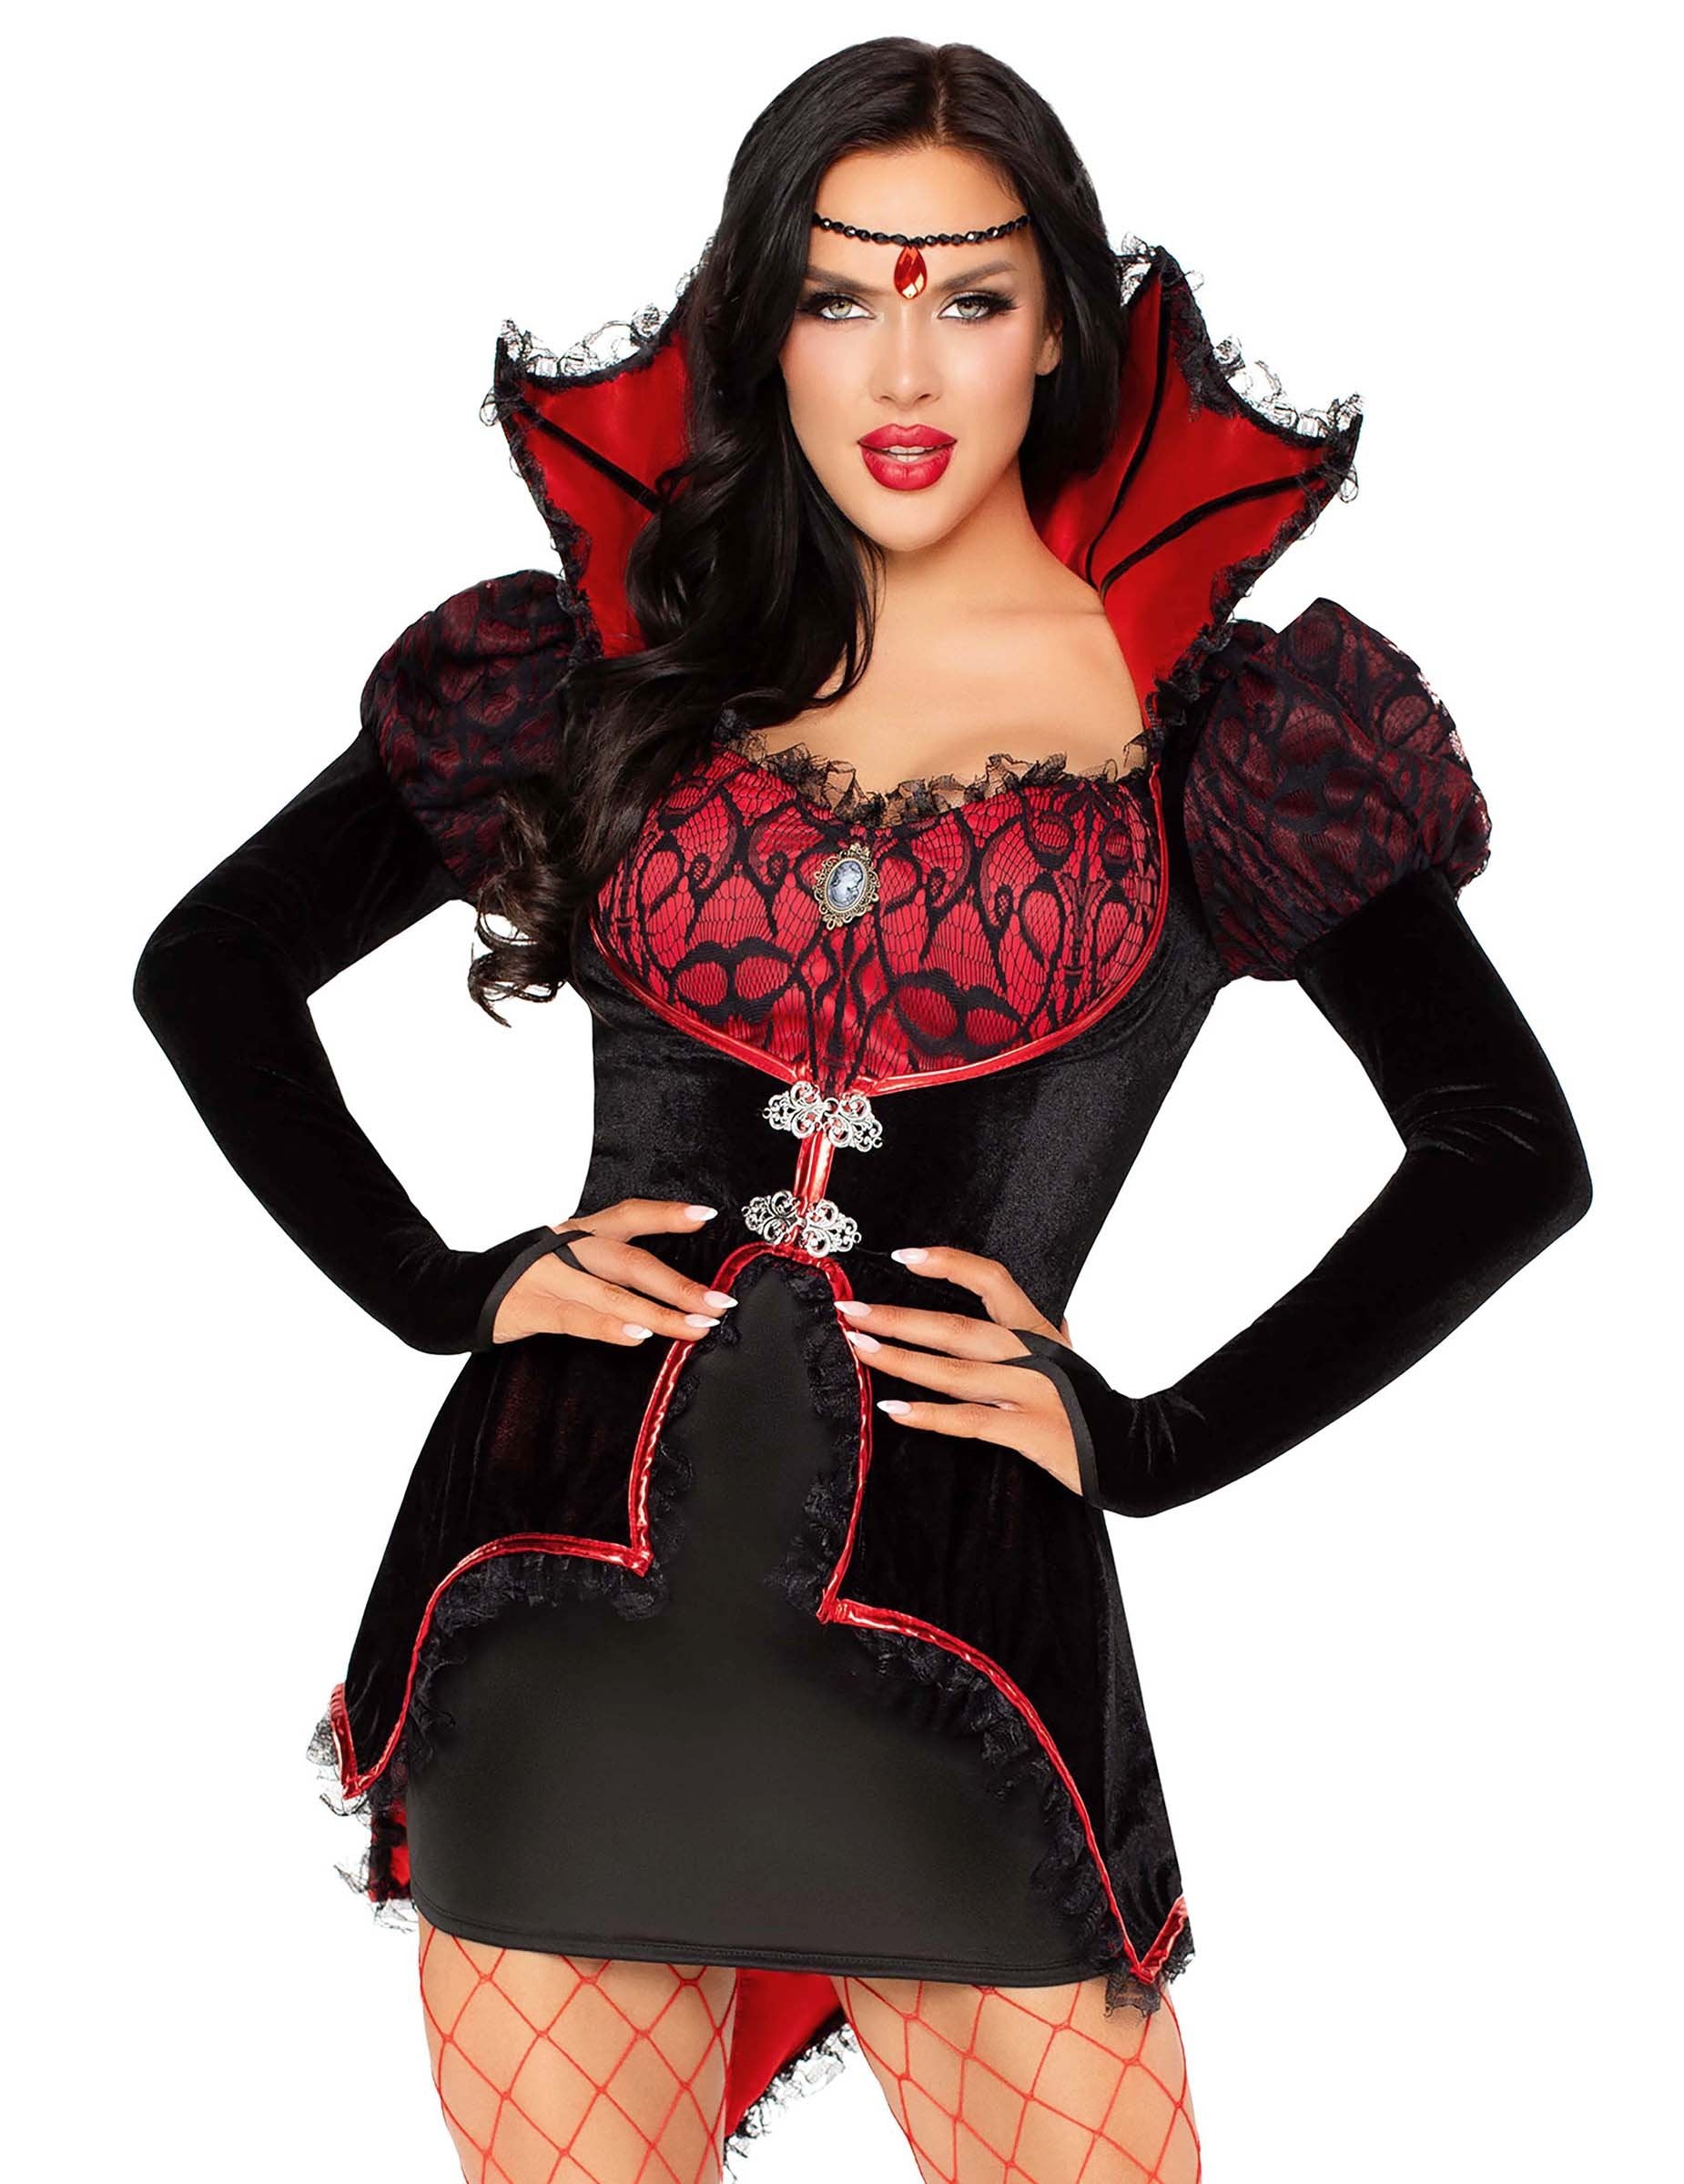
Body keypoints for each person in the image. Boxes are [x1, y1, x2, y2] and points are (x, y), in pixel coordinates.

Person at [130, 37, 1593, 2184]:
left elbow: (1506, 1153)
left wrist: (1152, 1439)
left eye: (969, 294)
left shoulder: (1221, 720)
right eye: (838, 295)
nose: (902, 365)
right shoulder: (602, 663)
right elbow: (210, 966)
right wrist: (450, 1289)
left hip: (963, 1656)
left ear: (1059, 328)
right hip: (556, 1621)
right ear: (763, 323)